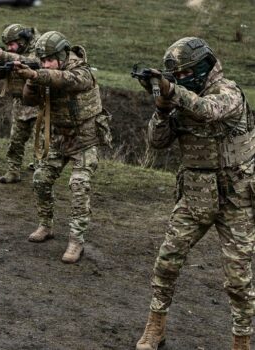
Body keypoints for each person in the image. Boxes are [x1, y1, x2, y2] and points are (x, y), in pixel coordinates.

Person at [136, 37, 255, 350]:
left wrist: (173, 92)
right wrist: (162, 110)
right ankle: (155, 327)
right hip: (195, 195)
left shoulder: (227, 91)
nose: (182, 81)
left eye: (186, 74)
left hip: (236, 198)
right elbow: (157, 143)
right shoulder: (180, 98)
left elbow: (208, 110)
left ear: (202, 68)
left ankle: (241, 341)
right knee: (166, 262)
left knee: (238, 280)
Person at [13, 31, 111, 263]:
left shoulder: (82, 71)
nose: (45, 63)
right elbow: (29, 100)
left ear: (62, 55)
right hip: (58, 138)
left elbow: (65, 80)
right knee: (40, 179)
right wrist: (30, 79)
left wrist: (38, 73)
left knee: (79, 185)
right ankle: (46, 225)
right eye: (42, 60)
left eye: (49, 59)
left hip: (85, 141)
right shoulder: (43, 71)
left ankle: (76, 241)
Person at [0, 24, 40, 184]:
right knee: (16, 140)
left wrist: (6, 55)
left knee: (40, 142)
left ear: (22, 40)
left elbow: (35, 62)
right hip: (19, 103)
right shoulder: (12, 53)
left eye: (12, 44)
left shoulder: (39, 48)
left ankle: (41, 175)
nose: (9, 48)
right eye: (7, 45)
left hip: (39, 104)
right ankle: (13, 171)